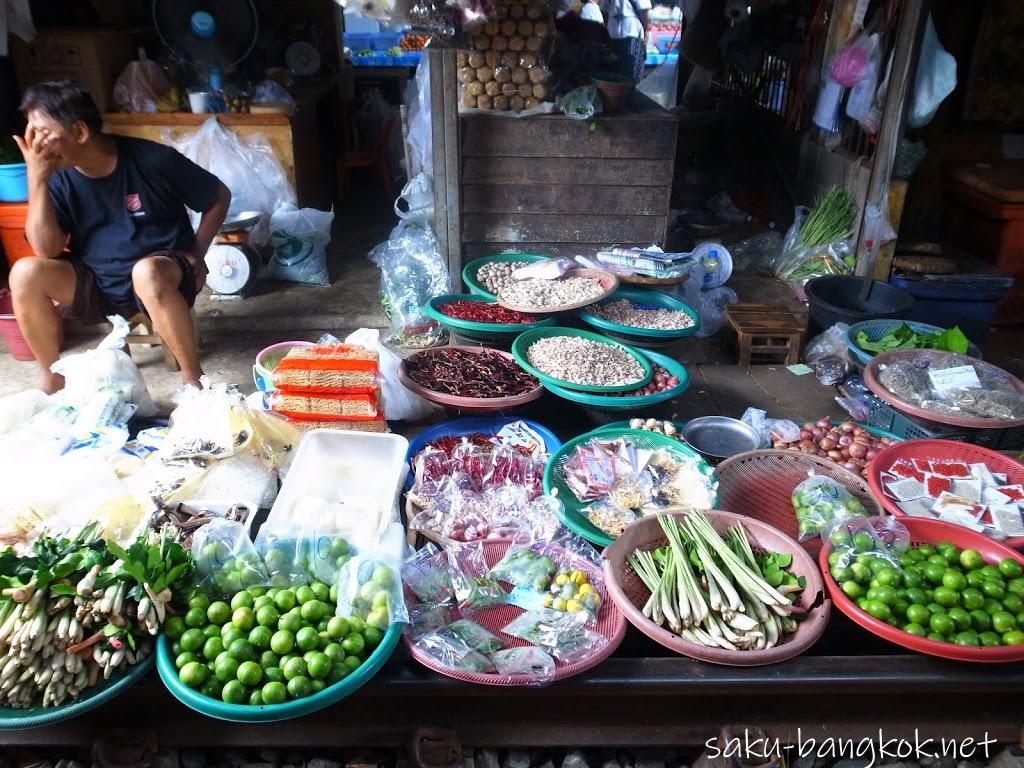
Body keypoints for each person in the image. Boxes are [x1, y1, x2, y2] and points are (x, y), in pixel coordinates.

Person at [10, 80, 231, 393]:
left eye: (42, 134)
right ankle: (52, 377)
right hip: (98, 283)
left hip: (161, 274)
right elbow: (47, 249)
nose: (35, 147)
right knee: (24, 272)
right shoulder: (56, 178)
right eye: (30, 134)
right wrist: (37, 182)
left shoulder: (153, 160)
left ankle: (194, 382)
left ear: (80, 132)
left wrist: (198, 249)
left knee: (146, 272)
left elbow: (218, 196)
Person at [606, 0, 652, 83]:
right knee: (633, 70)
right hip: (631, 30)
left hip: (612, 31)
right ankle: (632, 92)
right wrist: (646, 30)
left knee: (615, 69)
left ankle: (617, 92)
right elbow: (644, 10)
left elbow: (604, 10)